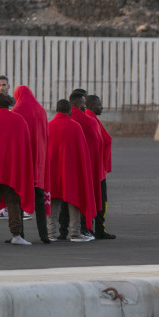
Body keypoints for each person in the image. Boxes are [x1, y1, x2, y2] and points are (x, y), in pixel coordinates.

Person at [0, 93, 34, 245]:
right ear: (9, 104)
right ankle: (16, 235)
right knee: (13, 202)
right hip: (12, 170)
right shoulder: (19, 120)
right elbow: (25, 146)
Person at [47, 99, 96, 243]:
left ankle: (51, 233)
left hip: (53, 172)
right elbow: (82, 153)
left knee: (53, 202)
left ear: (56, 109)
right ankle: (75, 233)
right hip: (71, 172)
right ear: (69, 110)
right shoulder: (75, 127)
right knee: (74, 202)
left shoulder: (48, 126)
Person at [11, 85, 50, 243]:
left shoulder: (15, 112)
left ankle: (19, 234)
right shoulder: (41, 110)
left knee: (18, 198)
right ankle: (44, 235)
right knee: (39, 198)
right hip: (39, 159)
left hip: (23, 160)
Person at [65, 90, 103, 239]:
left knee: (61, 201)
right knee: (80, 198)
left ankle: (55, 233)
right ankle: (81, 230)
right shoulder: (86, 121)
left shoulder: (65, 120)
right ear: (79, 104)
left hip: (65, 166)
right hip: (84, 166)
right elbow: (96, 142)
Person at [86, 94, 116, 239]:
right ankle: (98, 228)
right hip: (96, 169)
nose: (101, 107)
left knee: (98, 199)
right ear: (90, 106)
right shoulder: (91, 120)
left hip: (97, 168)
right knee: (101, 200)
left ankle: (94, 228)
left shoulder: (93, 120)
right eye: (98, 104)